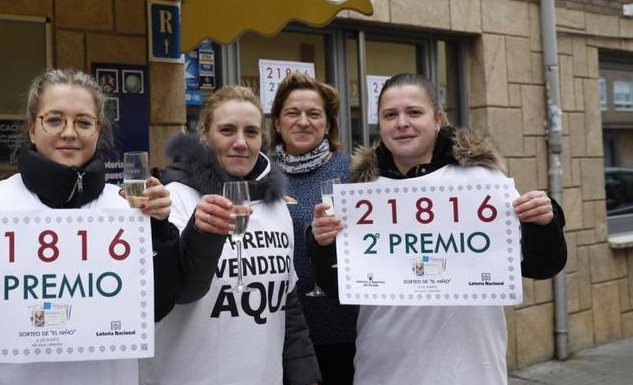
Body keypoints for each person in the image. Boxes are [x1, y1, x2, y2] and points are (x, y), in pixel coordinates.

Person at [0, 69, 222, 385]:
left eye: (83, 122)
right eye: (55, 120)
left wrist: (159, 230)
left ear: (98, 130)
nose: (69, 132)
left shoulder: (127, 208)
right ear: (33, 128)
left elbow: (157, 307)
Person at [310, 73, 567, 385]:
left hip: (471, 370)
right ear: (380, 123)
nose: (401, 122)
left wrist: (544, 220)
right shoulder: (362, 192)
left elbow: (541, 265)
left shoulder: (483, 181)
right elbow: (340, 288)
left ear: (438, 120)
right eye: (390, 115)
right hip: (382, 367)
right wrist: (322, 244)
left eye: (414, 112)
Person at [139, 86, 321, 385]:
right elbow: (175, 294)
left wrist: (305, 373)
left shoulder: (276, 206)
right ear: (204, 135)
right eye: (227, 130)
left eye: (251, 132)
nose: (240, 142)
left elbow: (285, 301)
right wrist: (201, 234)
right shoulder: (172, 201)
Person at [271, 72, 357, 385]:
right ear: (278, 123)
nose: (303, 122)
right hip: (280, 331)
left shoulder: (353, 173)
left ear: (328, 124)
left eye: (314, 114)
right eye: (292, 113)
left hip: (341, 328)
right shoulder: (260, 175)